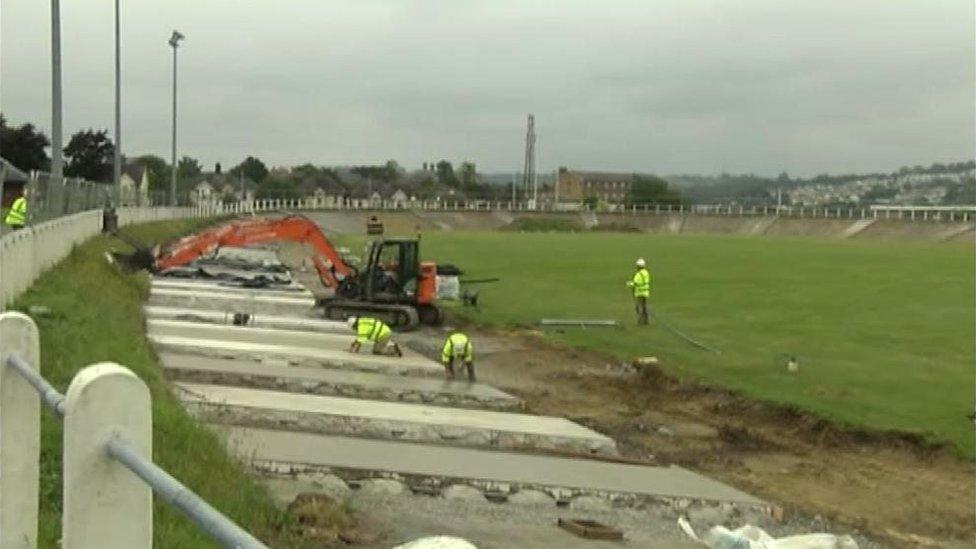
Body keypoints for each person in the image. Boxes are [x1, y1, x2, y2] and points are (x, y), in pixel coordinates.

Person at [626, 258, 651, 325]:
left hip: (639, 293)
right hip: (645, 292)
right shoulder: (646, 272)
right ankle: (646, 320)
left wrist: (628, 284)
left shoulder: (638, 274)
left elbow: (635, 283)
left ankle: (640, 321)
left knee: (638, 307)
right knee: (644, 307)